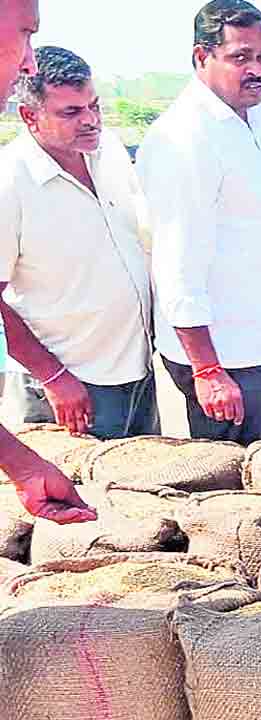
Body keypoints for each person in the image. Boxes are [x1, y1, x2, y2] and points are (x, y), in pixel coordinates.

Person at [138, 0, 261, 445]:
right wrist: (207, 370)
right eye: (240, 57)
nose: (256, 69)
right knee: (233, 498)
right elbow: (176, 264)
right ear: (202, 57)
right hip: (228, 359)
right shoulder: (185, 138)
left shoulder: (256, 117)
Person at [1, 46, 157, 441]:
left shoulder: (111, 152)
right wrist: (53, 377)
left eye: (94, 106)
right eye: (71, 112)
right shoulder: (10, 181)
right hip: (68, 391)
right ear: (29, 116)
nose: (90, 121)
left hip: (136, 374)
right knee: (77, 499)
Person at [0, 0, 97, 524]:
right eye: (25, 33)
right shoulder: (9, 182)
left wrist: (21, 466)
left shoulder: (108, 160)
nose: (30, 62)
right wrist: (54, 374)